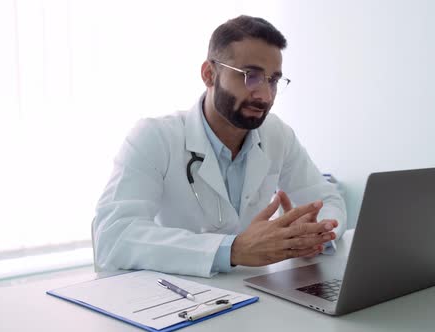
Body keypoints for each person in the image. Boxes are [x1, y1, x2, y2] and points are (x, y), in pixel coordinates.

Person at [92, 15, 347, 278]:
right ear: (209, 74)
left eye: (272, 80)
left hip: (254, 292)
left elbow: (327, 199)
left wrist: (316, 233)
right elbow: (114, 236)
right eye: (251, 76)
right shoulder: (154, 136)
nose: (265, 95)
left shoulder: (276, 133)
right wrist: (232, 250)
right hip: (177, 298)